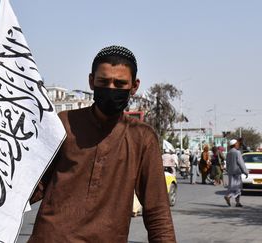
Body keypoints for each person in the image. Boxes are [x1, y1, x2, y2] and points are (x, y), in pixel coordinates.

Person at [28, 45, 176, 242]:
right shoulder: (63, 124)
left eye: (120, 83)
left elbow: (157, 212)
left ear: (134, 86)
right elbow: (31, 187)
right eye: (104, 81)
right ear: (91, 81)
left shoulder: (142, 138)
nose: (111, 89)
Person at [224, 139, 248, 207]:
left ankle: (237, 202)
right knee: (238, 187)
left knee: (232, 187)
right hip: (237, 172)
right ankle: (228, 197)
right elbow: (241, 163)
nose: (238, 145)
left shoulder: (228, 153)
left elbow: (227, 164)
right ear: (234, 145)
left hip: (230, 172)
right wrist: (245, 172)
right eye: (237, 144)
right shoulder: (237, 152)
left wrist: (228, 171)